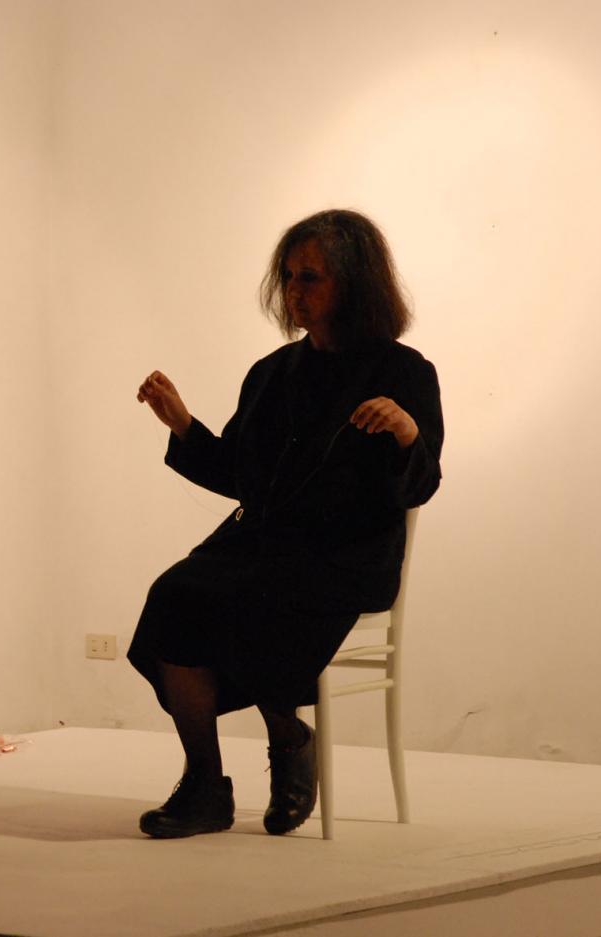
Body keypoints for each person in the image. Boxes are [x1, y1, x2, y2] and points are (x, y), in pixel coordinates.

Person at [128, 209, 443, 839]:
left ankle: (287, 737)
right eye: (289, 277)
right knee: (175, 596)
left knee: (260, 598)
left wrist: (407, 432)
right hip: (261, 542)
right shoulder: (273, 374)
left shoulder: (404, 371)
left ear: (354, 282)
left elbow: (420, 484)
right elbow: (240, 476)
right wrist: (183, 425)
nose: (295, 291)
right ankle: (205, 783)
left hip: (347, 554)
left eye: (311, 277)